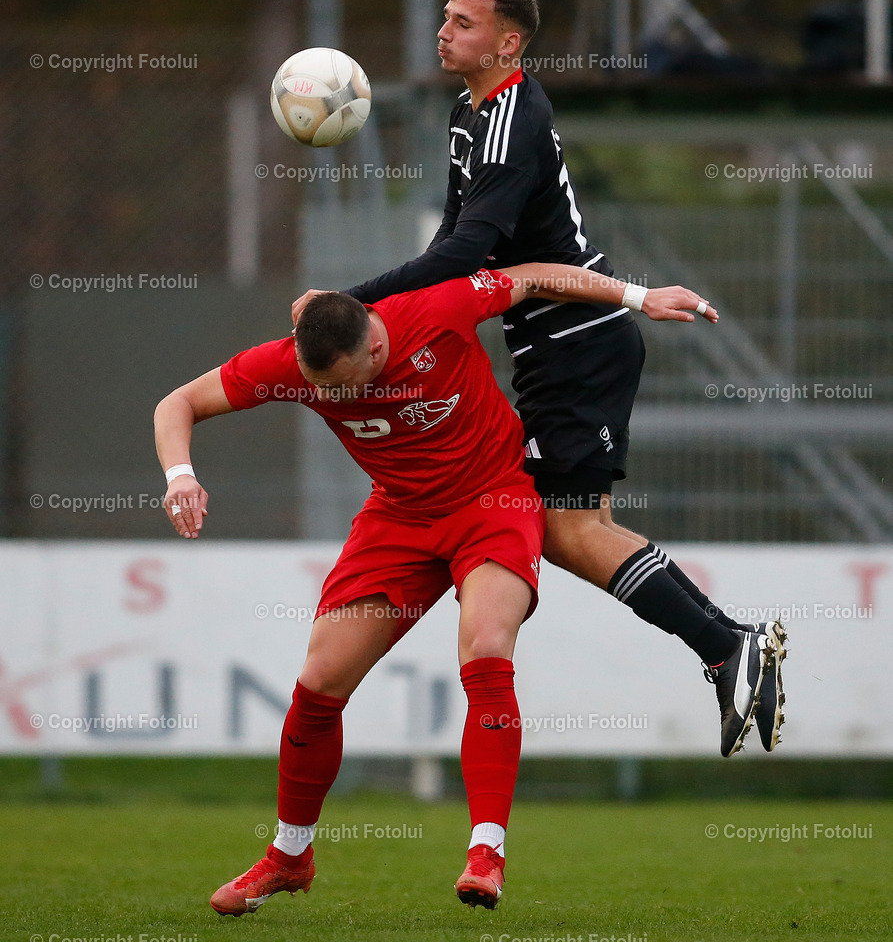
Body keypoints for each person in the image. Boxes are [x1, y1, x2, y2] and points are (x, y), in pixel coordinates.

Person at [292, 0, 786, 759]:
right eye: (445, 17)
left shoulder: (509, 119)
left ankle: (726, 647)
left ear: (507, 42)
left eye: (462, 22)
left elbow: (463, 254)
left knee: (568, 526)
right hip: (552, 345)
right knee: (564, 525)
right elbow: (451, 253)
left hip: (579, 344)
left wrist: (344, 307)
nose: (444, 31)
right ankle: (727, 644)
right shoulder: (471, 111)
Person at [154, 261, 716, 915]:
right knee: (319, 682)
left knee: (484, 644)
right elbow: (178, 403)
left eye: (344, 385)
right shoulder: (289, 364)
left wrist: (639, 296)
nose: (335, 398)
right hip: (398, 518)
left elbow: (531, 276)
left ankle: (486, 853)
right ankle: (288, 856)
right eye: (320, 389)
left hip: (493, 500)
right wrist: (179, 474)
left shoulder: (435, 312)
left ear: (374, 342)